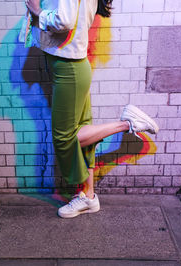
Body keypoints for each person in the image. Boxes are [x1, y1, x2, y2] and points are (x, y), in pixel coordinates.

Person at [23, 0, 159, 218]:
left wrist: (38, 12)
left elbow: (64, 21)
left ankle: (128, 123)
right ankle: (89, 197)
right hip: (69, 65)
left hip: (68, 68)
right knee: (82, 131)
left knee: (64, 137)